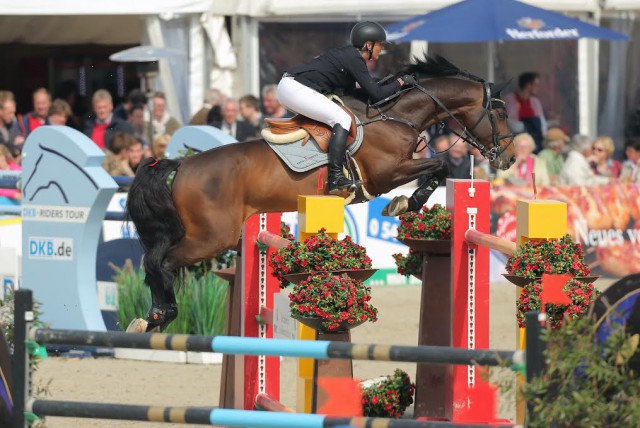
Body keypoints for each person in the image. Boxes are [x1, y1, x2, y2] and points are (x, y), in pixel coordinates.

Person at [276, 21, 412, 194]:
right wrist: (400, 83)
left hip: (291, 87)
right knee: (341, 118)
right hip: (295, 89)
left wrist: (390, 84)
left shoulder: (349, 56)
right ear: (368, 45)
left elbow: (357, 90)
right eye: (379, 45)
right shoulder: (355, 59)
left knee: (337, 117)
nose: (381, 49)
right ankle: (335, 176)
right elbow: (376, 94)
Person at [503, 72, 546, 152]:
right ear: (528, 85)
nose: (538, 88)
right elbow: (512, 125)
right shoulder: (510, 100)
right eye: (536, 85)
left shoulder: (535, 102)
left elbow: (542, 125)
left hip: (535, 143)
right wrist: (528, 127)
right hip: (516, 143)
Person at [0, 91, 22, 158]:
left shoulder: (13, 124)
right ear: (0, 111)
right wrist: (13, 146)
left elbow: (21, 142)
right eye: (10, 113)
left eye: (14, 112)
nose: (13, 116)